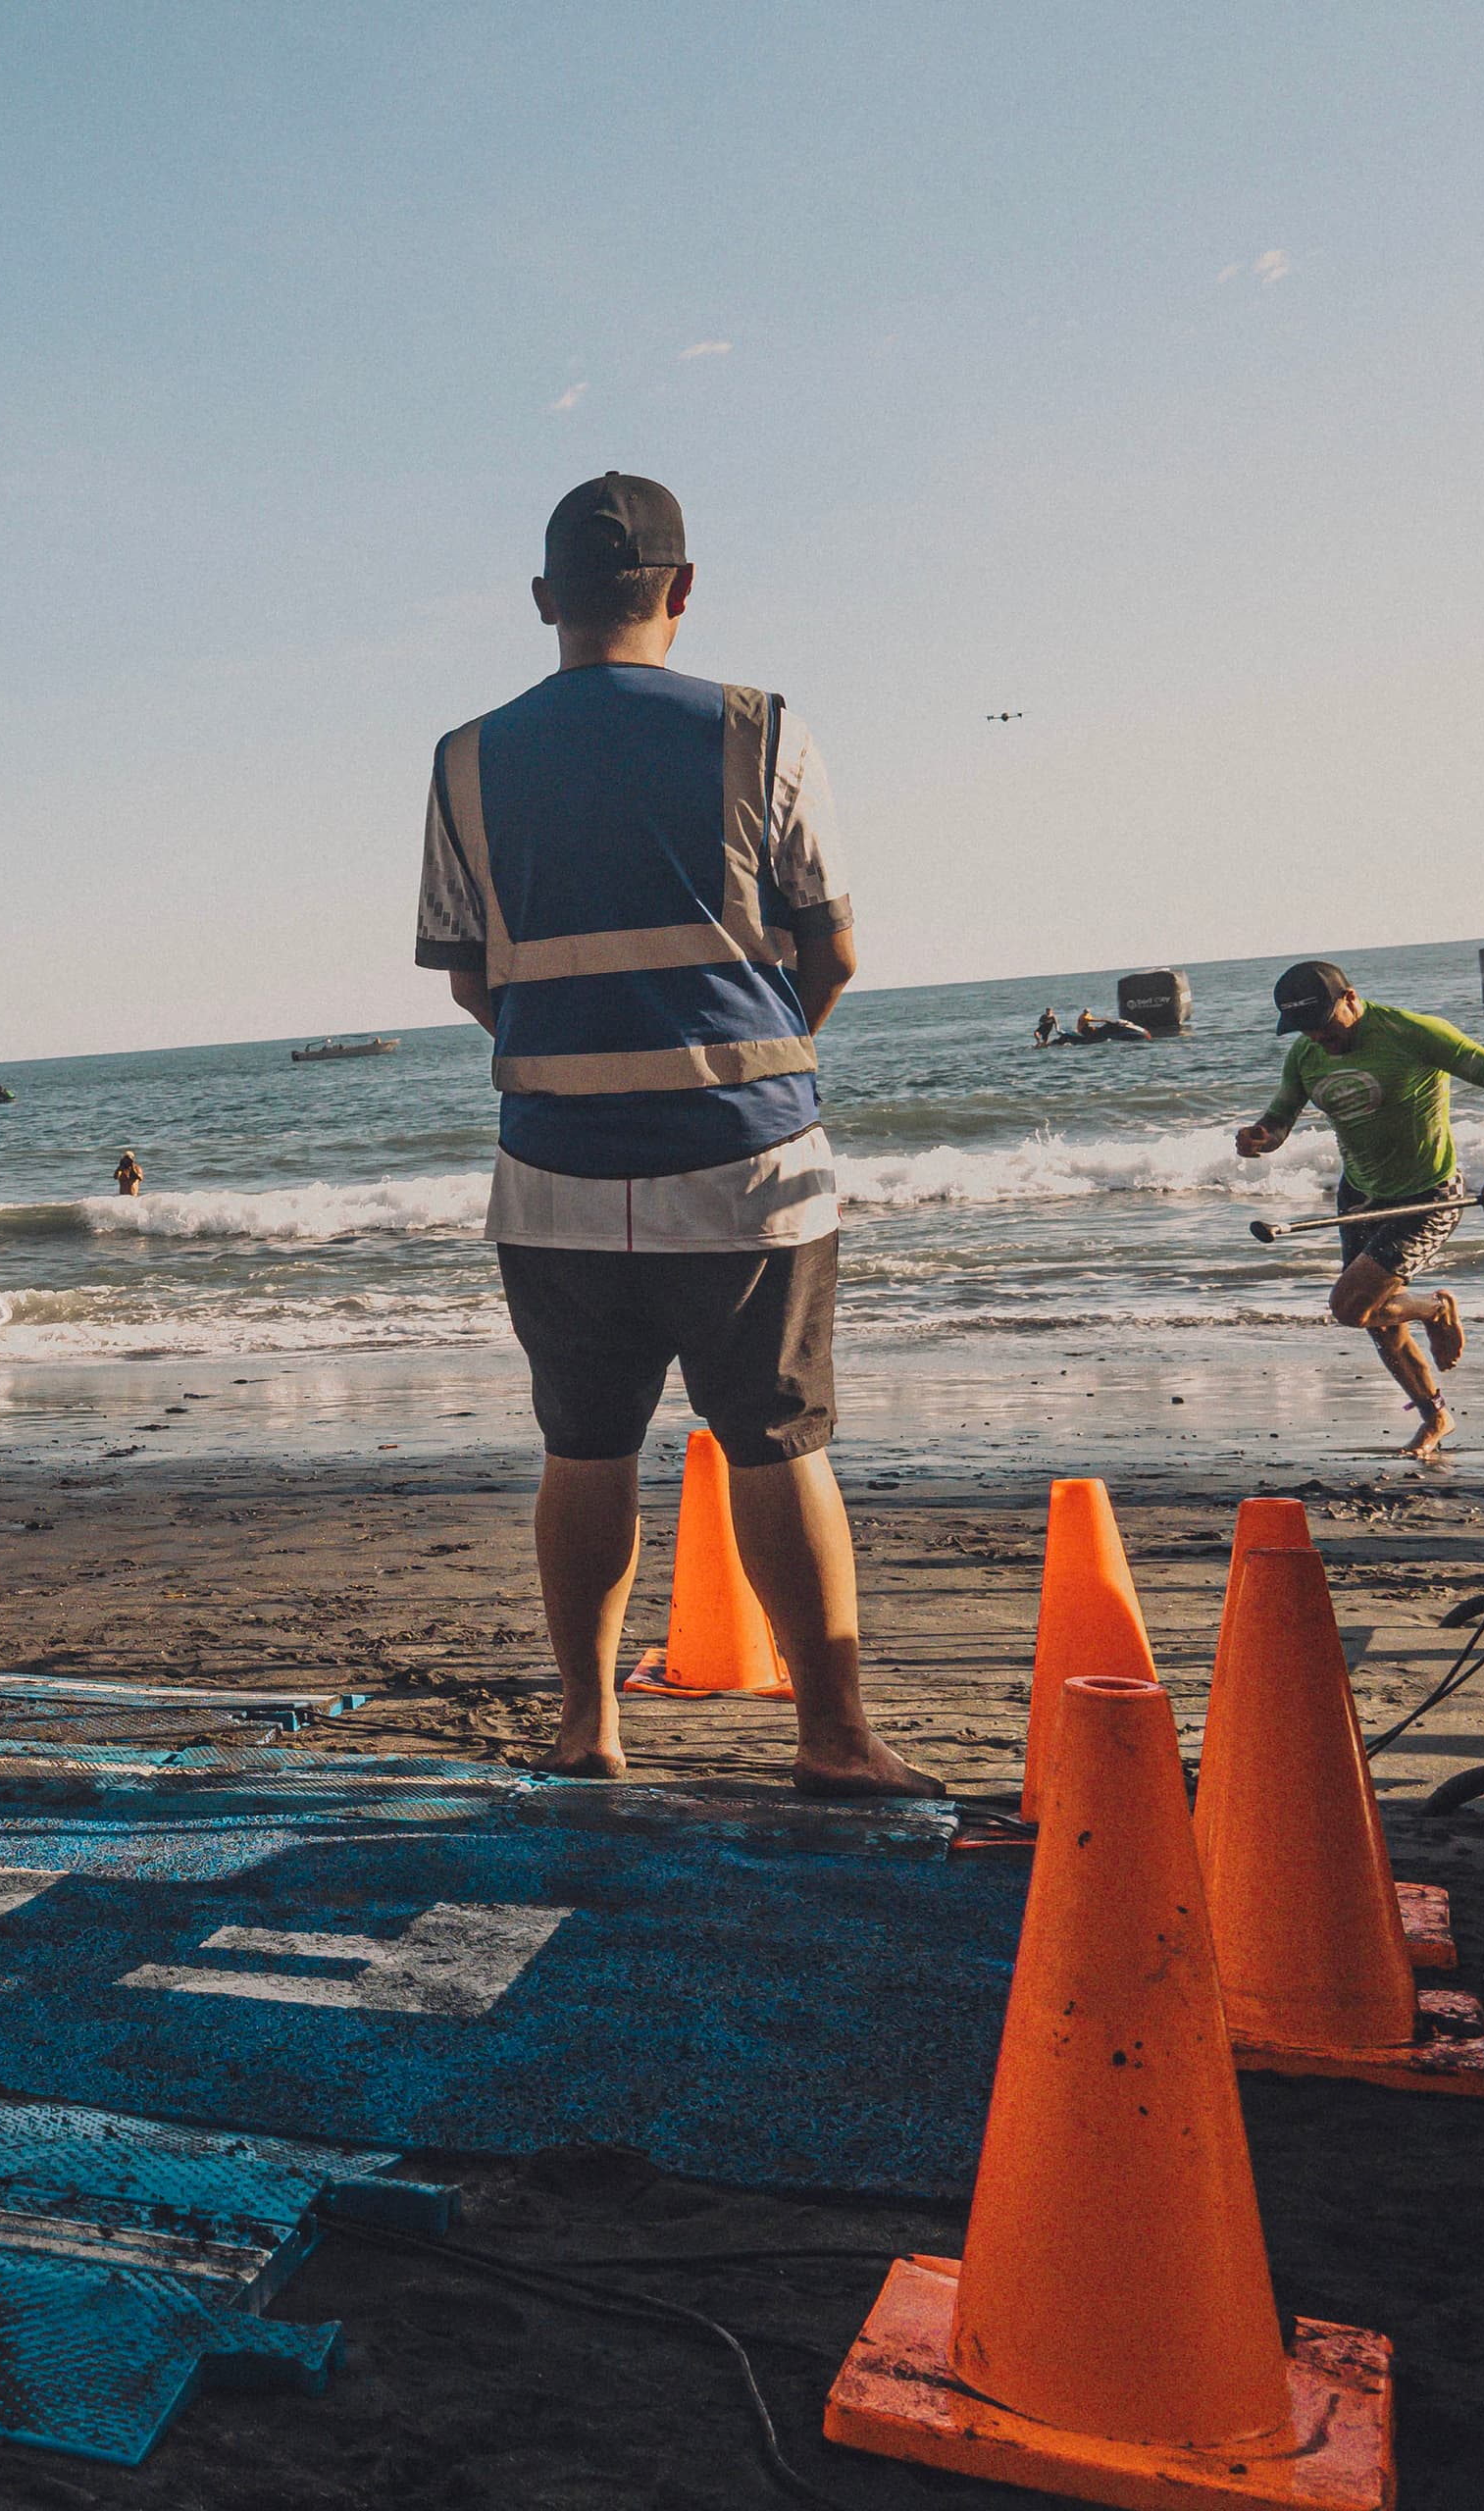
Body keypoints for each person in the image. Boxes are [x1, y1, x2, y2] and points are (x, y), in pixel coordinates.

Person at [413, 474, 934, 1798]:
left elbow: (472, 978)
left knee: (582, 1444)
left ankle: (590, 1727)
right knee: (775, 1436)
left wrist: (572, 1063)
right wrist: (750, 1063)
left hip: (552, 1175)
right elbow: (838, 949)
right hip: (748, 1164)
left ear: (545, 605)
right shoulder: (763, 732)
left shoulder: (465, 759)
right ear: (684, 592)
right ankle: (832, 1736)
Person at [1234, 958, 1484, 1459]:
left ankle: (1435, 1308)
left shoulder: (1413, 1032)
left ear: (1351, 998)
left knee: (1351, 1307)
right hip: (1360, 1194)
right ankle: (1436, 1417)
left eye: (1323, 1023)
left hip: (1428, 1195)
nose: (1318, 1036)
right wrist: (1261, 1139)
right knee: (1381, 1324)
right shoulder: (1305, 1055)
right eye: (1305, 1028)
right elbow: (1279, 1119)